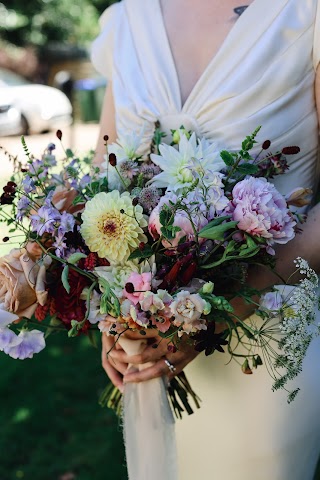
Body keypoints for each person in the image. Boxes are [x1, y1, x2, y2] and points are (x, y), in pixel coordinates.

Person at [91, 0, 320, 478]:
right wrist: (114, 314)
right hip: (146, 355)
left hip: (266, 354)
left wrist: (218, 317)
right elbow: (102, 188)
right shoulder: (128, 19)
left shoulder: (307, 15)